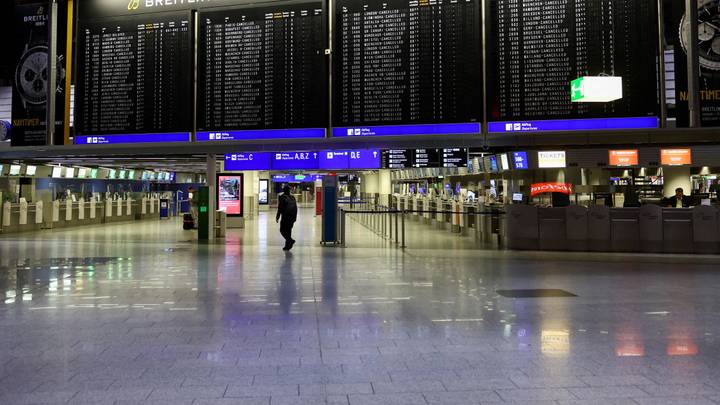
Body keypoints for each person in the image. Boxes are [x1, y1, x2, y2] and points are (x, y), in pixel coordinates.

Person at [276, 185, 298, 251]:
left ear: (284, 190)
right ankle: (287, 246)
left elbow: (280, 207)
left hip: (285, 216)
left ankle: (290, 240)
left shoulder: (282, 197)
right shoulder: (293, 197)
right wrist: (295, 218)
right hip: (292, 217)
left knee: (282, 230)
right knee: (288, 231)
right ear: (289, 190)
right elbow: (296, 208)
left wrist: (278, 216)